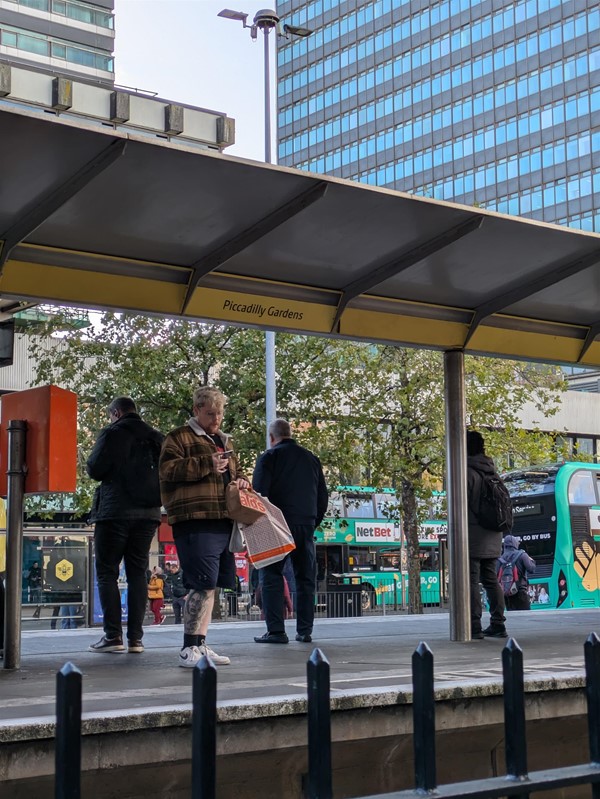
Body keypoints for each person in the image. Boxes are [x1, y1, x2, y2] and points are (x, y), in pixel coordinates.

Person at [159, 385, 250, 668]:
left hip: (223, 519)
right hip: (195, 519)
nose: (217, 419)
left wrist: (244, 480)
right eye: (211, 413)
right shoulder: (178, 438)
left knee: (212, 585)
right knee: (201, 583)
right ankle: (189, 648)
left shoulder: (225, 440)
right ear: (196, 410)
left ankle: (200, 643)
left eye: (220, 413)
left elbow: (236, 472)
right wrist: (206, 463)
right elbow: (166, 471)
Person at [86, 396, 164, 654]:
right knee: (137, 573)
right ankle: (136, 640)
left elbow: (95, 469)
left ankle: (112, 637)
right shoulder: (156, 436)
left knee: (107, 572)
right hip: (149, 513)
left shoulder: (112, 433)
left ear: (116, 413)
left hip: (115, 512)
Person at [252, 418, 328, 644]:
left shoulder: (268, 458)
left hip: (276, 524)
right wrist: (311, 522)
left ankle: (276, 631)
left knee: (271, 574)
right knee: (305, 578)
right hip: (305, 524)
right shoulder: (312, 459)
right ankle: (305, 630)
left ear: (271, 437)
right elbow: (322, 497)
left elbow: (258, 494)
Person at [466, 430, 508, 639]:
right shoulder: (492, 471)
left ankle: (474, 625)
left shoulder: (467, 472)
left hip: (473, 535)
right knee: (491, 578)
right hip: (493, 534)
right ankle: (498, 623)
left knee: (472, 579)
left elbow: (460, 506)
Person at [499, 534, 536, 610]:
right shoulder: (522, 555)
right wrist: (532, 561)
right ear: (515, 543)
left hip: (507, 594)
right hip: (520, 592)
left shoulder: (500, 559)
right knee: (525, 618)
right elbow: (531, 569)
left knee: (512, 618)